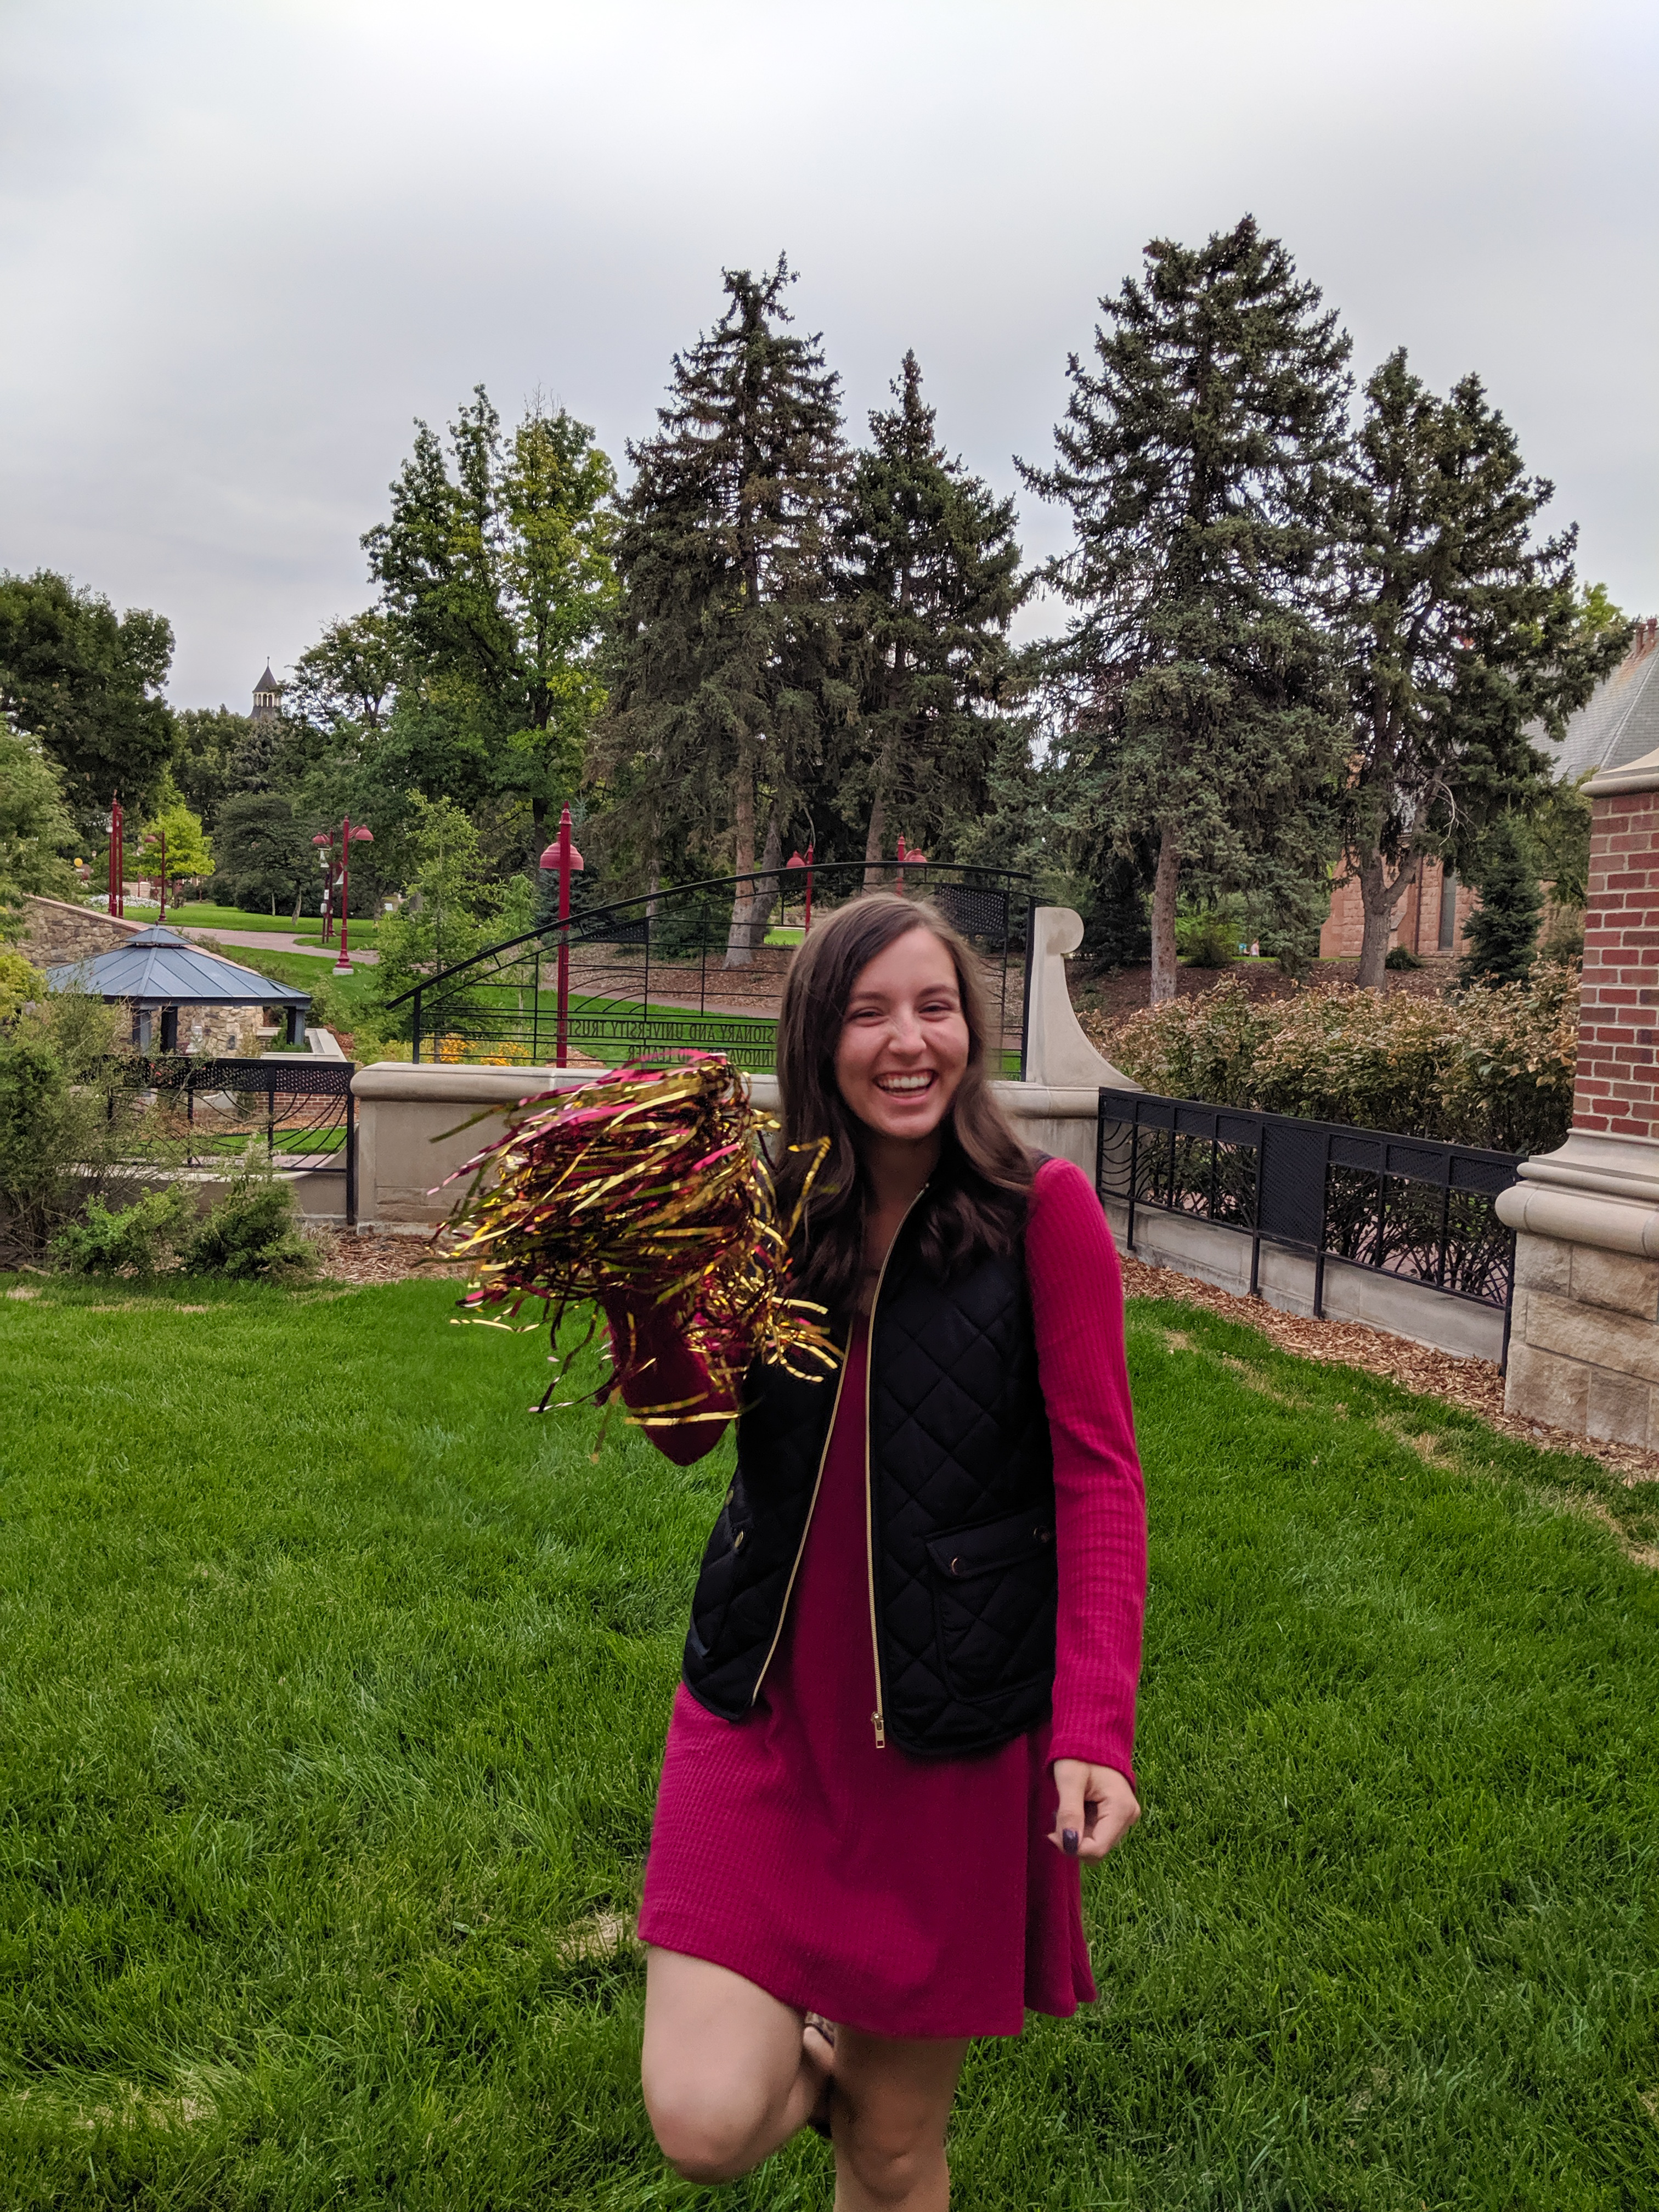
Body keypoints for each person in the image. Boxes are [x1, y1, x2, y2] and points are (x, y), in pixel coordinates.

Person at [607, 893, 1147, 2211]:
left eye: (936, 1008)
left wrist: (1093, 1723)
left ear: (970, 1028)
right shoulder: (768, 1212)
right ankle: (818, 2044)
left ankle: (873, 2095)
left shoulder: (1042, 1215)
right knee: (703, 2121)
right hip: (766, 1712)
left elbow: (1100, 1475)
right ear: (817, 1040)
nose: (908, 1043)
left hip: (950, 1742)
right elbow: (687, 1434)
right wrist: (640, 1270)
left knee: (894, 2154)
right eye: (868, 1014)